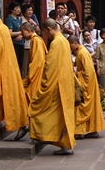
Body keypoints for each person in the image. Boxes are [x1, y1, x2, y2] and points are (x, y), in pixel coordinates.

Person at [28, 21, 75, 154]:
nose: (46, 36)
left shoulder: (56, 43)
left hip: (57, 84)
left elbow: (50, 66)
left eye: (45, 33)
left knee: (41, 110)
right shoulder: (64, 41)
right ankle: (56, 141)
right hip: (65, 83)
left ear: (48, 29)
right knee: (59, 116)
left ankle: (42, 136)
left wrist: (44, 85)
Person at [70, 36, 105, 141]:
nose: (70, 48)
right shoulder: (81, 52)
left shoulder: (82, 53)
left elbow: (89, 72)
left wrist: (78, 77)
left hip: (86, 84)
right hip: (87, 83)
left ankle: (79, 132)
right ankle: (93, 130)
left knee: (80, 106)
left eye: (70, 45)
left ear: (75, 43)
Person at [20, 21, 47, 110]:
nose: (22, 35)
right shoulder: (35, 39)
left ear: (28, 30)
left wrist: (30, 74)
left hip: (36, 73)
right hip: (35, 72)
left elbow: (38, 61)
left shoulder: (36, 40)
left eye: (22, 32)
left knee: (31, 95)